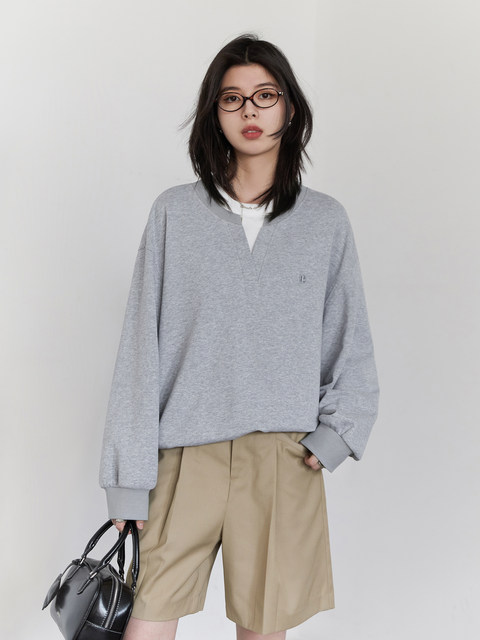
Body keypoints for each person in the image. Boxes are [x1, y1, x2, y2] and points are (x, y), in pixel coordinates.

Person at [99, 33, 380, 640]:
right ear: (214, 113)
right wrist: (127, 480)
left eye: (265, 95)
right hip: (184, 458)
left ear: (290, 109)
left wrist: (339, 433)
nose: (249, 110)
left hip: (283, 458)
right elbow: (139, 351)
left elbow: (349, 339)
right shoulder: (174, 214)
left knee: (264, 631)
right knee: (146, 623)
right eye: (232, 98)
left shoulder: (325, 222)